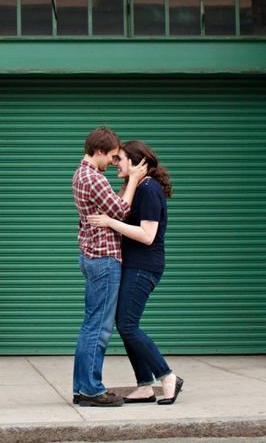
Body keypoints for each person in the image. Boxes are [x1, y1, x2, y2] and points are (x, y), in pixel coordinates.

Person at [88, 140, 183, 405]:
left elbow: (147, 235)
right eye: (115, 159)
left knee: (128, 325)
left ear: (137, 162)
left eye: (120, 159)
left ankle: (167, 377)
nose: (116, 163)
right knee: (125, 324)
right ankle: (144, 384)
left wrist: (110, 222)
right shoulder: (138, 187)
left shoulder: (150, 189)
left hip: (144, 266)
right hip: (134, 265)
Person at [72, 126, 147, 407]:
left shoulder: (80, 174)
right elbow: (122, 211)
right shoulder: (95, 179)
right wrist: (134, 181)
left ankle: (82, 387)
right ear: (100, 151)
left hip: (91, 256)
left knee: (90, 324)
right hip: (104, 259)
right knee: (100, 328)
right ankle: (92, 390)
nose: (115, 162)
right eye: (113, 157)